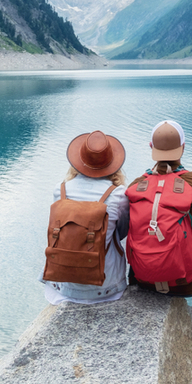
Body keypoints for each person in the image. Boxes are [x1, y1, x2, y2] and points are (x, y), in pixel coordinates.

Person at [128, 120, 192, 330]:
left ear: (151, 148)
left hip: (145, 280)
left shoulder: (136, 186)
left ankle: (134, 287)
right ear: (183, 147)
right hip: (187, 282)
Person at [41, 130, 130, 305]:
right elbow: (122, 232)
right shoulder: (119, 194)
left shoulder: (61, 190)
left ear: (78, 162)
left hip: (63, 286)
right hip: (106, 288)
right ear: (112, 164)